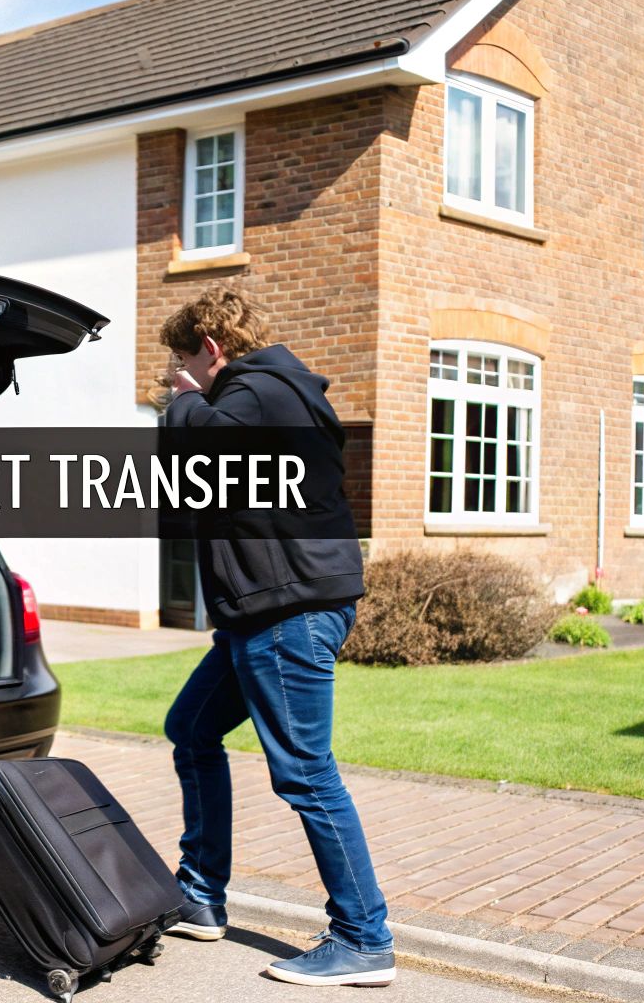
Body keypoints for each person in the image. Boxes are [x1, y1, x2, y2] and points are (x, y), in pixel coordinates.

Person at [158, 288, 394, 987]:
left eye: (183, 357)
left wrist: (179, 403)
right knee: (192, 730)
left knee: (305, 773)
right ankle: (201, 895)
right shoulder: (263, 399)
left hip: (286, 615)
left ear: (212, 346)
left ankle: (363, 937)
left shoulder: (258, 393)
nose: (180, 371)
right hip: (258, 613)